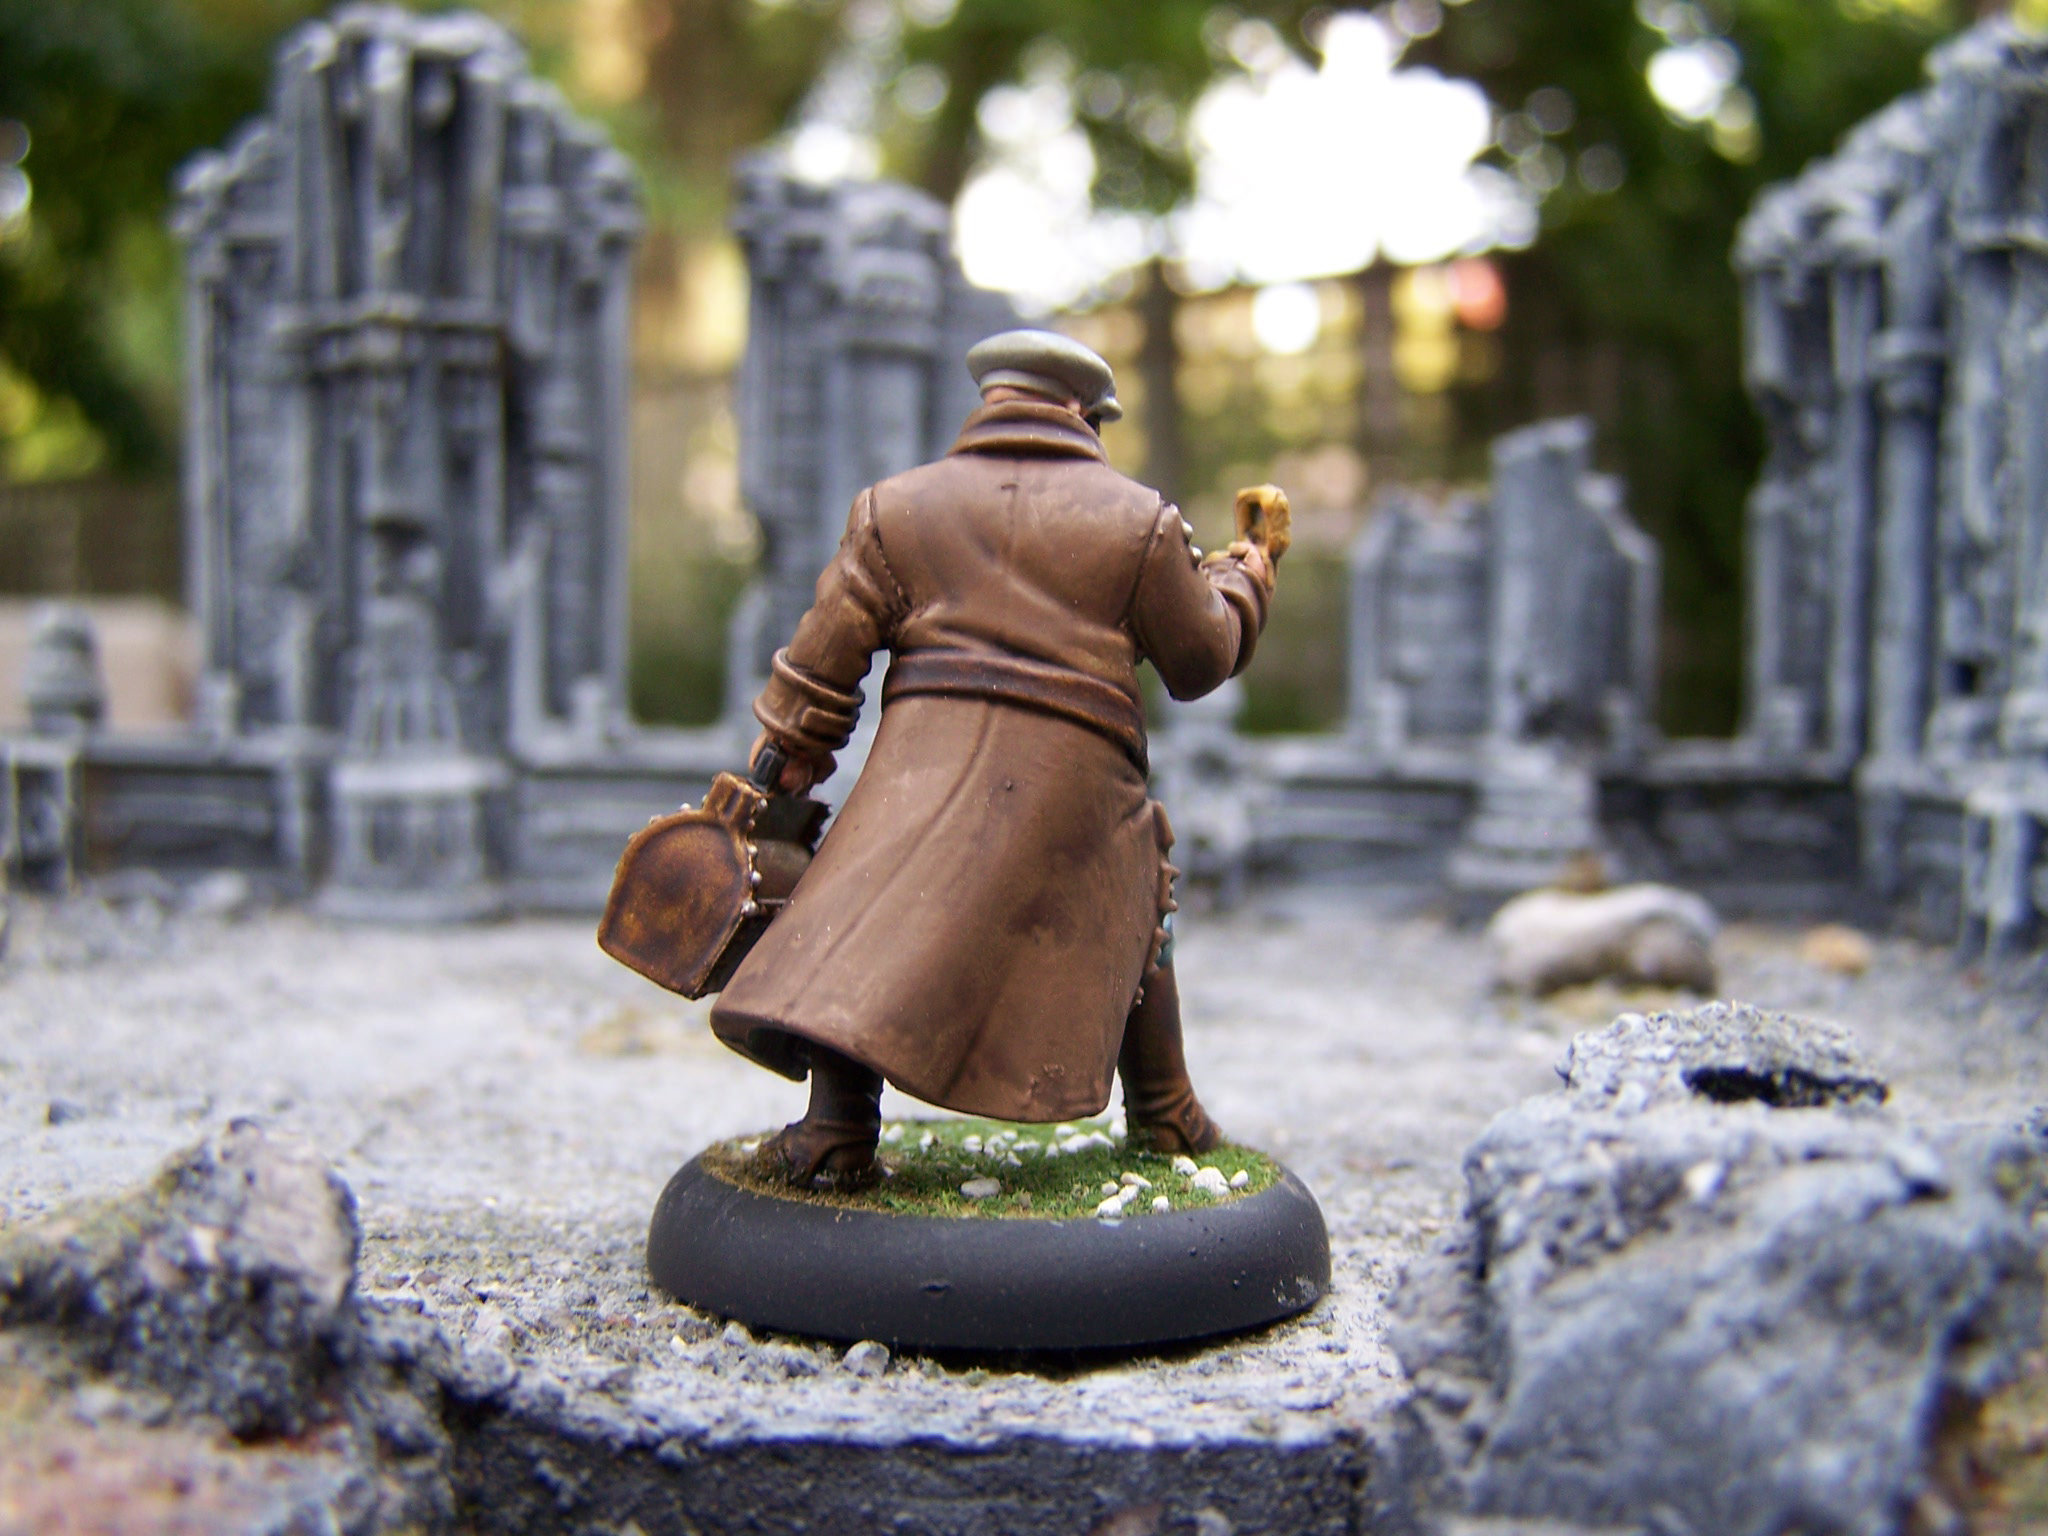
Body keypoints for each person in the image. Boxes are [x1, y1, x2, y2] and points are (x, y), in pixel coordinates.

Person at [708, 329, 1277, 1185]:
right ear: (1083, 412)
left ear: (993, 400)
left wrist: (788, 754)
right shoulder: (1142, 521)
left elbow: (823, 658)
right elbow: (1201, 660)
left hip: (921, 774)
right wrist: (1247, 577)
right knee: (1140, 907)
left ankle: (837, 1126)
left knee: (861, 913)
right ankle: (1164, 1109)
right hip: (1077, 787)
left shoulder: (895, 507)